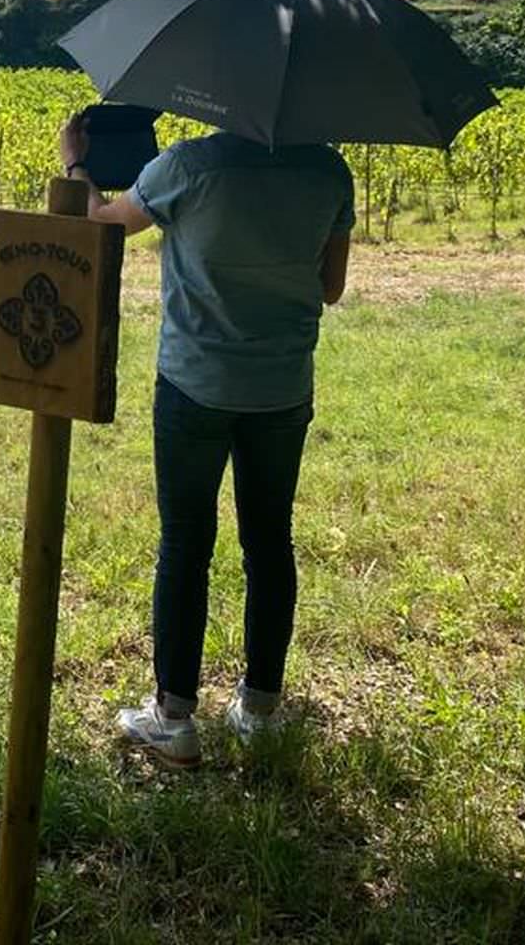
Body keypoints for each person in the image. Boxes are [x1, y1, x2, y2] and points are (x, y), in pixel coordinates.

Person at [58, 115, 353, 769]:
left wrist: (76, 163)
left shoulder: (188, 167)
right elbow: (330, 288)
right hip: (281, 387)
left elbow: (99, 223)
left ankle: (173, 718)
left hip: (194, 385)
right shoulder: (329, 170)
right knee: (270, 540)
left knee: (186, 542)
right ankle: (261, 707)